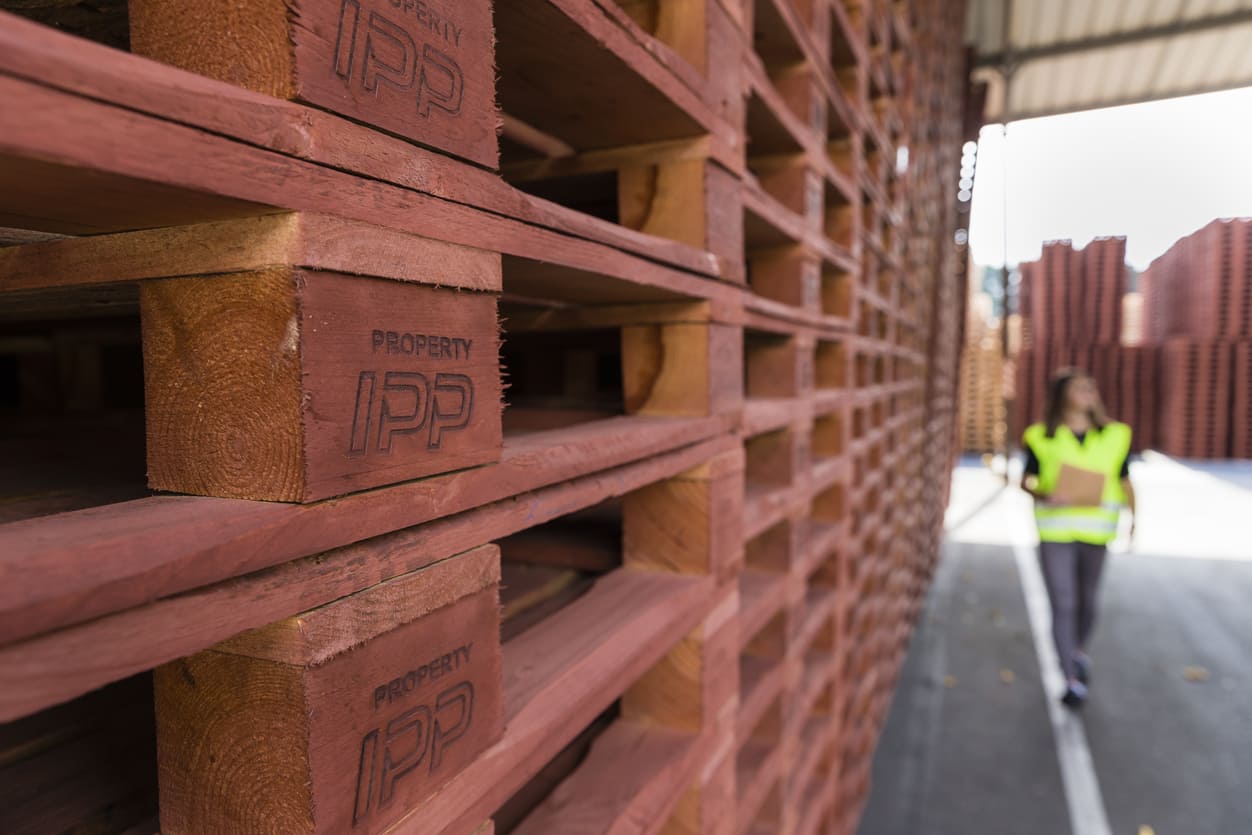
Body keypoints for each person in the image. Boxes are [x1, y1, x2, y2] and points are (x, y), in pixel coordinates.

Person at [1020, 368, 1136, 708]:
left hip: (1097, 531)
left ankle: (1078, 650)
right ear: (1061, 396)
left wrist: (1135, 519)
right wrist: (1043, 494)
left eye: (1090, 386)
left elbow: (1125, 480)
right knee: (1063, 601)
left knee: (1088, 602)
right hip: (1056, 530)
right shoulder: (1041, 436)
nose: (1087, 392)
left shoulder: (1115, 435)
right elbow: (1026, 479)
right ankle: (1070, 678)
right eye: (1078, 388)